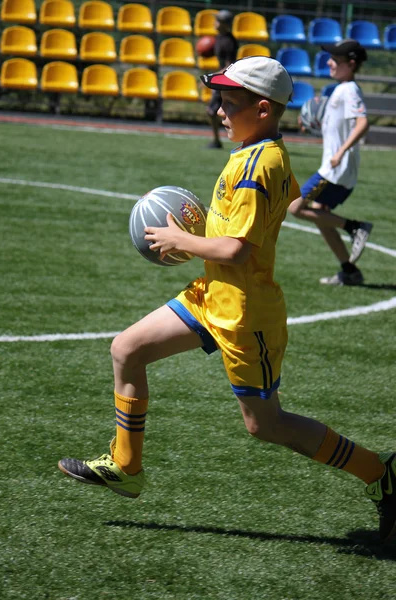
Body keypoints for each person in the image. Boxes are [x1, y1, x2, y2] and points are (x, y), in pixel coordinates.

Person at [58, 56, 396, 542]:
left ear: (262, 109)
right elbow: (269, 212)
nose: (218, 110)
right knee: (126, 349)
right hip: (211, 295)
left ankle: (381, 473)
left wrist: (182, 240)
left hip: (244, 314)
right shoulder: (255, 153)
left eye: (229, 103)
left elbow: (238, 250)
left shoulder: (261, 164)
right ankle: (127, 467)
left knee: (267, 424)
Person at [288, 39, 372, 286]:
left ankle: (355, 227)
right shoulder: (341, 89)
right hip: (336, 168)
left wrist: (340, 152)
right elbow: (336, 126)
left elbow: (362, 123)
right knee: (321, 217)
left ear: (351, 63)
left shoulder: (350, 90)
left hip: (335, 169)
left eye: (335, 59)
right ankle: (349, 271)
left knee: (295, 207)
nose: (329, 62)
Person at [205, 9, 238, 149]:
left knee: (213, 111)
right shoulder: (218, 38)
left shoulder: (229, 42)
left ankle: (217, 141)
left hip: (226, 80)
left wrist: (213, 78)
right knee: (216, 112)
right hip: (222, 79)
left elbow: (229, 67)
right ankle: (217, 140)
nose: (215, 23)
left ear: (225, 24)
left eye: (218, 20)